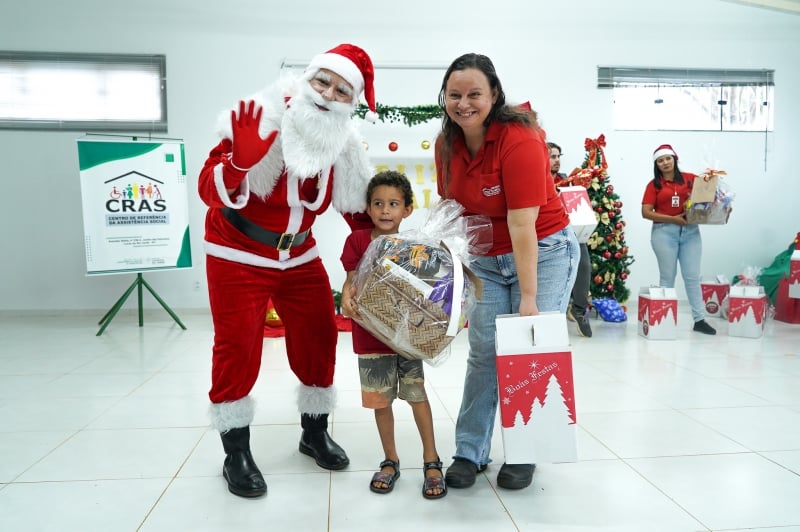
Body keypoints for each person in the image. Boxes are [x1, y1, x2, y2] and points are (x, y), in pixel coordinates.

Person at [197, 43, 379, 498]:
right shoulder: (259, 118)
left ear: (350, 102)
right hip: (237, 251)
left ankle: (313, 433)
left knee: (319, 335)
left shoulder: (343, 143)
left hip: (298, 254)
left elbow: (358, 210)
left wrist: (386, 246)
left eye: (340, 90)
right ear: (305, 80)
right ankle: (235, 451)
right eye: (321, 81)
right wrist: (239, 160)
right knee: (237, 348)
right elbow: (207, 188)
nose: (326, 94)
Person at [434, 53, 580, 491]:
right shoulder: (447, 144)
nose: (464, 103)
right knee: (483, 352)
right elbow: (453, 213)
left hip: (544, 250)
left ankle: (527, 451)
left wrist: (529, 300)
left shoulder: (519, 138)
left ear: (494, 95)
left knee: (529, 348)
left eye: (474, 94)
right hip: (486, 262)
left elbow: (522, 224)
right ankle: (470, 450)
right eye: (455, 95)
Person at [339, 170, 447, 500]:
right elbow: (351, 279)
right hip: (370, 339)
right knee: (380, 401)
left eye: (393, 204)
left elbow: (424, 290)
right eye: (378, 204)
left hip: (408, 337)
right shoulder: (357, 241)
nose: (386, 210)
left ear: (407, 209)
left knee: (416, 395)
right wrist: (345, 294)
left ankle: (432, 461)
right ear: (368, 208)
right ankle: (390, 460)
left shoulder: (412, 244)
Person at [641, 144, 716, 335]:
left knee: (692, 276)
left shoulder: (691, 179)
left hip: (690, 232)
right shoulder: (653, 185)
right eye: (660, 160)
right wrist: (672, 219)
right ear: (656, 164)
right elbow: (646, 212)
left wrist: (720, 202)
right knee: (667, 277)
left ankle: (699, 320)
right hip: (664, 233)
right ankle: (663, 319)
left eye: (668, 158)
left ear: (675, 159)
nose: (665, 163)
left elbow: (708, 197)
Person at [548, 142, 593, 337]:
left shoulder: (568, 180)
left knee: (584, 265)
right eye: (552, 156)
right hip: (544, 234)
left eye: (559, 156)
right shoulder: (534, 179)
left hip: (570, 230)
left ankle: (579, 310)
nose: (557, 160)